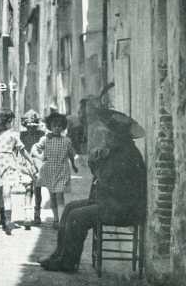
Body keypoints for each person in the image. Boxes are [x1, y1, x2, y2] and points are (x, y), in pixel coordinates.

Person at [40, 109, 147, 272]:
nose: (106, 137)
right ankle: (59, 256)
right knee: (69, 208)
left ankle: (68, 262)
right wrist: (98, 160)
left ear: (118, 136)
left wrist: (97, 163)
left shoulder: (126, 156)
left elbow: (105, 181)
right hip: (112, 202)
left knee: (77, 216)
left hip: (123, 209)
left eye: (109, 134)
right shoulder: (118, 151)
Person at [0, 108, 37, 235]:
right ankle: (2, 218)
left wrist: (31, 161)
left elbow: (22, 149)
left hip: (8, 166)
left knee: (6, 193)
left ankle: (8, 220)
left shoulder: (13, 135)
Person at [32, 112, 78, 229]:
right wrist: (39, 157)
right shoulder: (45, 139)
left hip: (62, 171)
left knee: (60, 195)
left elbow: (71, 154)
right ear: (50, 127)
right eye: (54, 126)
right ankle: (56, 219)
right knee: (52, 196)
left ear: (63, 127)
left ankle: (61, 219)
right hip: (49, 171)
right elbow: (35, 149)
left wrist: (73, 165)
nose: (57, 128)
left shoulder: (67, 140)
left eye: (59, 126)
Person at [20, 110, 45, 224]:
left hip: (38, 165)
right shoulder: (22, 135)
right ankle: (27, 215)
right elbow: (19, 150)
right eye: (28, 126)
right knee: (28, 190)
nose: (30, 129)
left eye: (33, 126)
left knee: (38, 190)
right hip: (26, 165)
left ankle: (37, 214)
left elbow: (44, 149)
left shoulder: (41, 135)